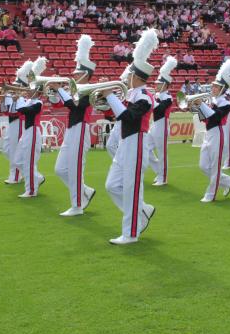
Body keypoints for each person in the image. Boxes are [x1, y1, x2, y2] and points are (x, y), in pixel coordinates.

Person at [102, 29, 159, 245]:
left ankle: (131, 233)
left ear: (136, 77)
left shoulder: (145, 97)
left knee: (131, 189)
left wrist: (110, 96)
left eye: (129, 75)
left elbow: (127, 116)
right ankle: (142, 210)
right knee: (112, 185)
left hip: (136, 143)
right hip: (126, 143)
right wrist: (107, 97)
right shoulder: (131, 94)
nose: (126, 77)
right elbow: (114, 114)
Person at [48, 35, 97, 216]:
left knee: (75, 168)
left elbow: (75, 106)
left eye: (77, 73)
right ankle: (85, 191)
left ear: (85, 74)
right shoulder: (74, 89)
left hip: (81, 128)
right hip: (71, 129)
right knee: (60, 169)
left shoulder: (90, 90)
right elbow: (57, 104)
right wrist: (53, 91)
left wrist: (59, 88)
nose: (74, 75)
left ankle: (77, 206)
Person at [194, 56, 230, 202]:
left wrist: (202, 105)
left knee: (215, 167)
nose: (212, 88)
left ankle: (211, 194)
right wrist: (197, 106)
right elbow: (204, 118)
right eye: (213, 86)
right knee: (203, 166)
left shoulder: (226, 103)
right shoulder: (211, 101)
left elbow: (215, 117)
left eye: (216, 87)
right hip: (208, 134)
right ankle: (226, 180)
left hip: (217, 134)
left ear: (222, 89)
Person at [14, 57, 47, 198]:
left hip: (33, 132)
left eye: (31, 89)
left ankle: (31, 190)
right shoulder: (28, 101)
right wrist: (18, 99)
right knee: (18, 161)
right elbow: (19, 111)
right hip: (27, 132)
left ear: (37, 92)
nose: (28, 90)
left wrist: (19, 99)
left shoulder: (38, 103)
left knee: (29, 162)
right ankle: (37, 178)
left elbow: (24, 111)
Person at [147, 56, 177, 186]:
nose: (156, 86)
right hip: (154, 125)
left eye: (159, 84)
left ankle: (163, 178)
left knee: (162, 153)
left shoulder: (168, 98)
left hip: (162, 126)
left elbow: (159, 110)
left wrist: (152, 98)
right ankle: (158, 171)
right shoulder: (158, 96)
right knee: (145, 148)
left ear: (165, 85)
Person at [1, 61, 33, 185]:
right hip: (12, 123)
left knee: (14, 150)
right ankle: (22, 172)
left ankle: (15, 176)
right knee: (7, 149)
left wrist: (15, 100)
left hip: (19, 123)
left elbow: (16, 112)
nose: (13, 88)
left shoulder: (23, 98)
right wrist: (3, 98)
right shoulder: (13, 96)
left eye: (16, 86)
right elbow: (5, 110)